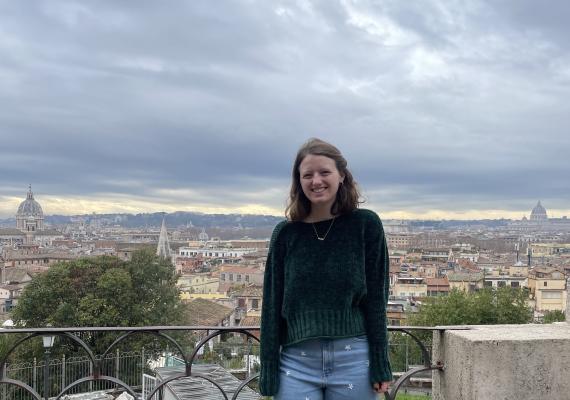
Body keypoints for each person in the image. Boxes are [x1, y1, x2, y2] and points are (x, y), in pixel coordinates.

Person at [259, 138, 392, 399]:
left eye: (324, 172)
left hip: (355, 360)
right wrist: (268, 369)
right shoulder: (286, 234)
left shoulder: (365, 225)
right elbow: (271, 306)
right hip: (295, 362)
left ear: (341, 175)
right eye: (307, 175)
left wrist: (380, 363)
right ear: (299, 181)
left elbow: (377, 300)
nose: (316, 181)